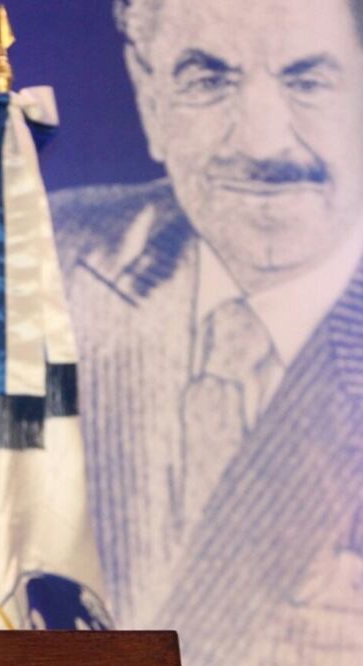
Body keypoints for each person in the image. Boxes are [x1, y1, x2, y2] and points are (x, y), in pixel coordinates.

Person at [51, 0, 363, 663]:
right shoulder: (48, 259)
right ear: (147, 90)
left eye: (306, 79)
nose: (260, 142)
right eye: (207, 79)